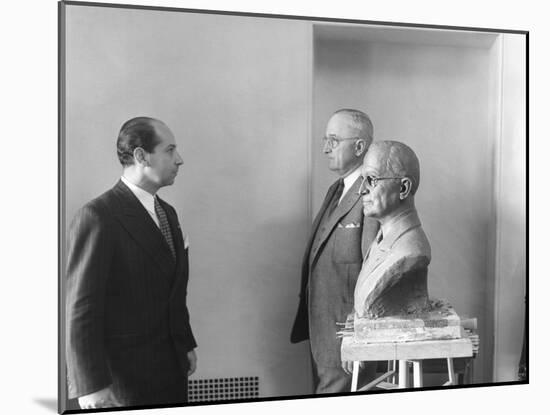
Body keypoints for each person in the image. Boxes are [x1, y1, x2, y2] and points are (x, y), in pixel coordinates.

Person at [65, 117, 197, 409]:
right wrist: (91, 385)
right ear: (141, 156)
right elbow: (81, 308)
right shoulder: (98, 215)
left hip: (171, 370)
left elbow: (173, 291)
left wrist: (185, 344)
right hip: (124, 381)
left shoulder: (168, 213)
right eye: (170, 150)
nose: (179, 159)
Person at [290, 109, 379, 394]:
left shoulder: (371, 193)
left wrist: (358, 332)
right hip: (322, 327)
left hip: (346, 330)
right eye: (325, 139)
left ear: (359, 146)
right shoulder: (336, 189)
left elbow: (373, 270)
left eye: (333, 140)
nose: (325, 148)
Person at [353, 140, 431, 319]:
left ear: (403, 188)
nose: (362, 189)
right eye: (362, 180)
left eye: (371, 180)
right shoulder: (380, 239)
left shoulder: (410, 251)